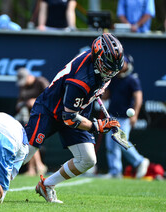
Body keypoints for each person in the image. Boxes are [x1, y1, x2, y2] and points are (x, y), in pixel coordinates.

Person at [24, 33, 124, 203]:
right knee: (23, 155)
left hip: (76, 109)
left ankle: (46, 185)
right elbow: (69, 118)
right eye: (108, 68)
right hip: (51, 109)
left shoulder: (99, 67)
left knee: (88, 159)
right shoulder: (82, 79)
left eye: (114, 69)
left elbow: (95, 89)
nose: (111, 73)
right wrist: (97, 126)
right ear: (98, 59)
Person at [102, 54, 150, 179]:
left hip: (124, 117)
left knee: (121, 141)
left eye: (124, 63)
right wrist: (103, 85)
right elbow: (105, 96)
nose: (121, 65)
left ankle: (139, 161)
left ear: (129, 65)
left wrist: (135, 115)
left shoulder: (132, 79)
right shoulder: (113, 78)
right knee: (111, 145)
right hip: (112, 116)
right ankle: (115, 171)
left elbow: (138, 98)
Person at [15, 68, 49, 176]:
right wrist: (23, 104)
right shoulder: (23, 86)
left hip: (43, 116)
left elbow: (51, 98)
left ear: (29, 76)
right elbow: (19, 103)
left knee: (31, 141)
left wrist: (36, 101)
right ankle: (34, 168)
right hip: (29, 118)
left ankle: (38, 166)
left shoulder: (41, 82)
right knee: (29, 141)